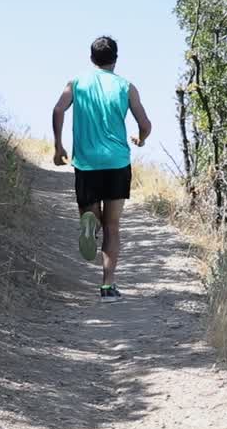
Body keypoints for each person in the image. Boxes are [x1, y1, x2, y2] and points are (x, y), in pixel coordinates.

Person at [51, 35, 152, 301]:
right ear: (115, 59)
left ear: (91, 58)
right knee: (113, 225)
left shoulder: (76, 83)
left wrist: (58, 146)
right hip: (117, 162)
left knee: (94, 216)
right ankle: (108, 285)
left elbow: (58, 110)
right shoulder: (127, 87)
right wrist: (140, 139)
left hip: (86, 162)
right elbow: (145, 124)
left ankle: (90, 223)